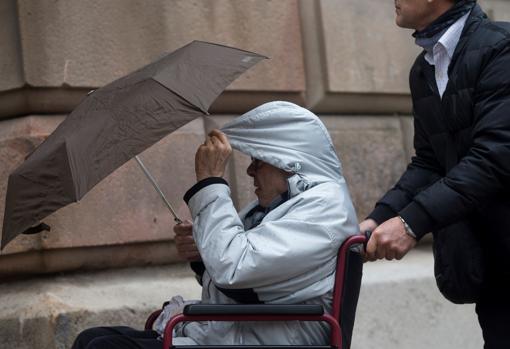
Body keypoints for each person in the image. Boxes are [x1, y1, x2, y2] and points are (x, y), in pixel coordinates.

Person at [72, 101, 361, 348]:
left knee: (102, 345)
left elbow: (233, 268)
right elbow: (245, 279)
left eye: (257, 161)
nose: (249, 171)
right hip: (242, 333)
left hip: (269, 339)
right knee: (96, 339)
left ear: (288, 162)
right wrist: (202, 255)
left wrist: (210, 182)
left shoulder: (324, 208)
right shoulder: (289, 205)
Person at [360, 0, 510, 347]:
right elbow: (430, 162)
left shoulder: (501, 49)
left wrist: (412, 222)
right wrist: (379, 218)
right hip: (493, 269)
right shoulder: (424, 68)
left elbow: (495, 156)